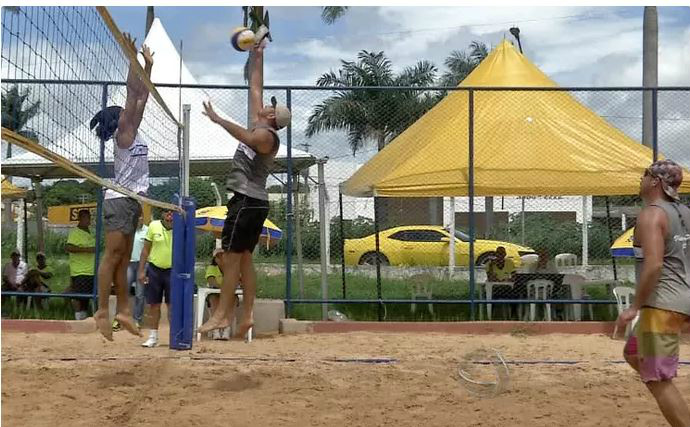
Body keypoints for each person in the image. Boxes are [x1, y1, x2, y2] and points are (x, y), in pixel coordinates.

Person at [199, 39, 291, 338]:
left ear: (273, 118)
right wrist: (258, 55)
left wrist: (217, 120)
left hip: (247, 201)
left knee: (229, 258)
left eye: (271, 107)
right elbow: (255, 88)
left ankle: (224, 315)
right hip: (252, 202)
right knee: (245, 259)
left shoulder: (267, 138)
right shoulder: (259, 123)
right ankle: (248, 314)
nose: (266, 104)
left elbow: (248, 139)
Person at [90, 32, 154, 340]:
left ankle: (124, 311)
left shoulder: (134, 131)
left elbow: (142, 96)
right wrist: (133, 58)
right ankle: (102, 309)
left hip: (131, 200)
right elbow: (133, 94)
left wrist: (148, 67)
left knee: (124, 257)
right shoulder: (124, 134)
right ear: (119, 120)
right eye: (124, 110)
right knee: (112, 255)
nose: (128, 109)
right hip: (119, 198)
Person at [617, 159, 690, 427]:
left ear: (655, 181)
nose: (640, 180)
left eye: (644, 175)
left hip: (663, 304)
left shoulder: (651, 214)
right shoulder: (683, 212)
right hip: (683, 298)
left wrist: (634, 306)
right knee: (633, 353)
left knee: (658, 379)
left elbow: (655, 264)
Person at [138, 210, 173, 348]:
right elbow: (146, 250)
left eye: (172, 213)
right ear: (163, 214)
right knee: (154, 305)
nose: (170, 215)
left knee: (172, 306)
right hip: (155, 269)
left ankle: (173, 336)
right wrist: (141, 270)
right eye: (167, 212)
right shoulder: (154, 226)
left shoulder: (181, 227)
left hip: (172, 271)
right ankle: (153, 337)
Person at [65, 209, 96, 320]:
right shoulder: (75, 233)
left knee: (87, 297)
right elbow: (69, 247)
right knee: (79, 296)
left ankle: (85, 316)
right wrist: (87, 250)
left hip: (91, 270)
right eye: (87, 218)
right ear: (81, 218)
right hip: (80, 271)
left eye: (89, 218)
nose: (89, 221)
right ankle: (78, 318)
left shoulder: (91, 232)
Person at [204, 248, 231, 340]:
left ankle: (226, 328)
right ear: (215, 259)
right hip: (215, 293)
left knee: (232, 300)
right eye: (218, 257)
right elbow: (212, 282)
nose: (221, 258)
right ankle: (216, 329)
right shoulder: (212, 268)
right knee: (214, 298)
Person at [128, 217, 148, 328]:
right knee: (123, 291)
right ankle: (120, 318)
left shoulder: (148, 231)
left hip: (142, 264)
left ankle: (137, 320)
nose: (138, 220)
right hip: (129, 264)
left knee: (139, 294)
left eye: (140, 218)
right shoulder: (129, 230)